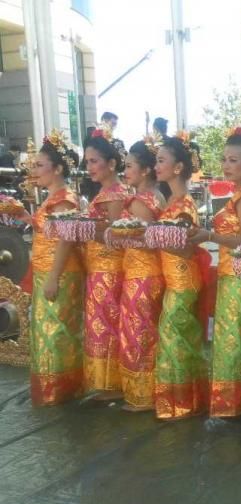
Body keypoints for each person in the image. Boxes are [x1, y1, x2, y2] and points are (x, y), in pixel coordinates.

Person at [188, 126, 241, 418]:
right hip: (234, 271)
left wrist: (210, 235)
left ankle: (234, 402)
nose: (226, 165)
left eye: (233, 160)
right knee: (238, 334)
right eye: (224, 159)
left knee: (232, 335)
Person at [153, 135, 209, 420]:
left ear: (178, 168)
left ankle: (181, 403)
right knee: (177, 338)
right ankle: (183, 400)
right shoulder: (171, 201)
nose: (156, 165)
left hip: (184, 280)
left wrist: (154, 237)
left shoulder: (184, 204)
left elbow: (187, 249)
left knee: (176, 339)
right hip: (174, 279)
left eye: (161, 160)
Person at [29, 130, 84, 405]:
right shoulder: (52, 197)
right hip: (46, 271)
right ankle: (54, 389)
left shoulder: (65, 199)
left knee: (57, 332)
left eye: (40, 165)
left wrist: (53, 277)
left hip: (59, 273)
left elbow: (66, 239)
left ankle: (61, 390)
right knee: (47, 330)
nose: (34, 170)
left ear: (58, 168)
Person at [118, 138, 165, 411]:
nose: (126, 171)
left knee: (139, 333)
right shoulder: (155, 196)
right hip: (144, 272)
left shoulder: (141, 201)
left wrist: (119, 235)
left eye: (129, 166)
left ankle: (143, 395)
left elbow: (149, 240)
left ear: (144, 171)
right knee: (144, 331)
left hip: (142, 273)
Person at [82, 125, 128, 400]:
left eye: (94, 161)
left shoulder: (114, 195)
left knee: (107, 324)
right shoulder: (104, 193)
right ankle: (104, 381)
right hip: (97, 267)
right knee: (99, 323)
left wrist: (82, 228)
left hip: (109, 267)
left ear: (111, 164)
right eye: (87, 161)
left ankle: (112, 383)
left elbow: (115, 234)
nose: (89, 167)